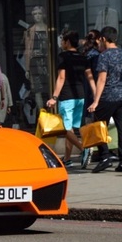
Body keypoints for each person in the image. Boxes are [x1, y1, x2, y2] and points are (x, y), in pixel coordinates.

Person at [46, 30, 96, 169]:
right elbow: (90, 77)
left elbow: (61, 78)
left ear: (67, 42)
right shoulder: (83, 57)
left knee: (64, 129)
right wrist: (96, 96)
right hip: (80, 96)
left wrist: (54, 97)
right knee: (72, 129)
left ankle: (83, 148)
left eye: (62, 40)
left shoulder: (63, 56)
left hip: (67, 96)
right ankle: (67, 158)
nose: (61, 43)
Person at [87, 26, 122, 173]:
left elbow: (101, 80)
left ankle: (105, 156)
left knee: (98, 124)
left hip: (109, 95)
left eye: (99, 40)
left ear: (103, 39)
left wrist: (95, 101)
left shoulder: (104, 56)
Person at [24, 6, 50, 112]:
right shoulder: (30, 31)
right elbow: (27, 50)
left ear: (43, 15)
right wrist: (27, 68)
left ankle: (51, 111)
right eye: (34, 14)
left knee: (49, 87)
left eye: (39, 13)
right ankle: (42, 113)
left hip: (47, 62)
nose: (37, 16)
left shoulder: (48, 29)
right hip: (35, 62)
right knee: (37, 89)